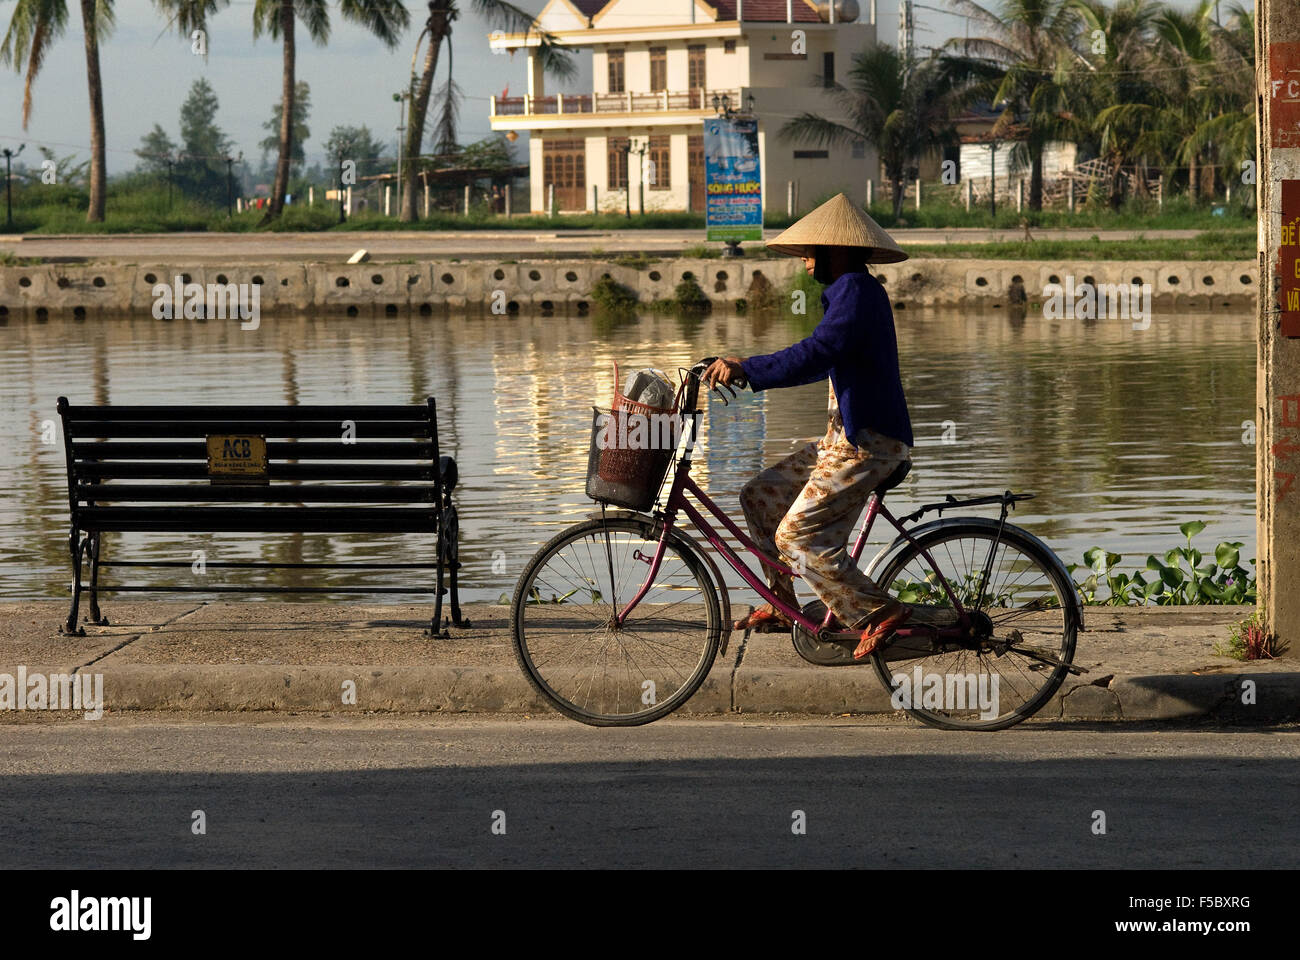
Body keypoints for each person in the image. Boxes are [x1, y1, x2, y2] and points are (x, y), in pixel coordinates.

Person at [703, 193, 927, 661]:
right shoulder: (848, 293)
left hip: (868, 445)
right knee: (759, 496)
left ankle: (876, 612)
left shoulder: (856, 292)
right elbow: (816, 359)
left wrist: (747, 368)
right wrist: (750, 368)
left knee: (796, 537)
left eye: (811, 251)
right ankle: (784, 606)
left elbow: (817, 353)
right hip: (839, 442)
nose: (805, 261)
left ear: (838, 251)